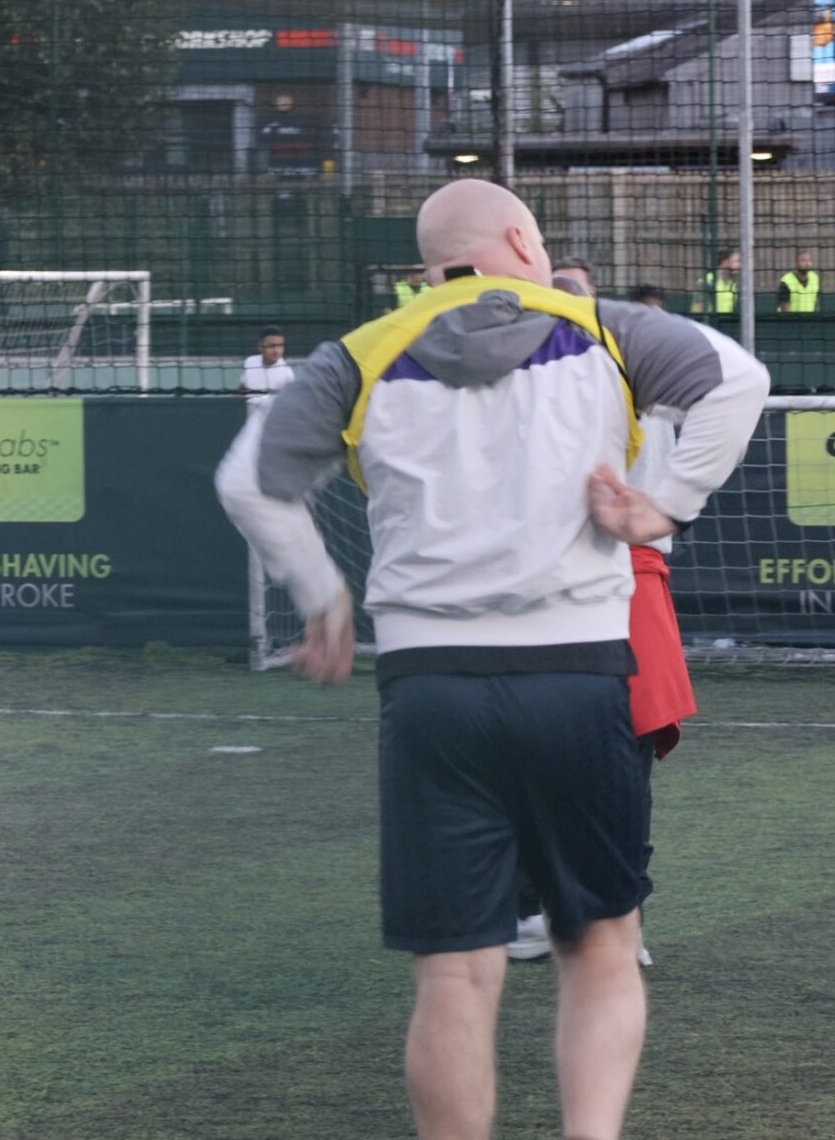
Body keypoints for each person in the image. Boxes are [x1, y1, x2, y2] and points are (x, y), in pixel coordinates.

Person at [217, 179, 766, 1140]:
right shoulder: (605, 327)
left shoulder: (360, 352)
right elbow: (740, 380)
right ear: (521, 238)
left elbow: (247, 481)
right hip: (579, 675)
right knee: (600, 946)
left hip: (431, 687)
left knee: (456, 971)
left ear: (430, 265)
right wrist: (668, 503)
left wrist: (323, 595)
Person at [507, 260, 697, 969]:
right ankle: (561, 909)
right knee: (574, 757)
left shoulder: (574, 385)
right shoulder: (614, 379)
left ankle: (589, 911)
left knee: (600, 759)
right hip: (581, 582)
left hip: (606, 580)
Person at [239, 328, 294, 394]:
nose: (276, 351)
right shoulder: (250, 361)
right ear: (260, 346)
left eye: (280, 346)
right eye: (271, 346)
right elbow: (242, 387)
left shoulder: (287, 373)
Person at [695, 249, 739, 315]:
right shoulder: (708, 280)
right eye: (736, 261)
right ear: (725, 262)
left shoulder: (731, 283)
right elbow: (700, 307)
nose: (739, 265)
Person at [779, 249, 819, 314]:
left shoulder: (815, 278)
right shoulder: (786, 281)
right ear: (796, 263)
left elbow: (816, 302)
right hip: (793, 319)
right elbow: (784, 309)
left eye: (809, 260)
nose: (807, 263)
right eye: (803, 260)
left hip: (809, 319)